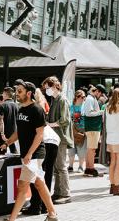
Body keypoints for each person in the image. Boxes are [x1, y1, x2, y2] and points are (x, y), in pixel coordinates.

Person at [1, 82, 58, 221]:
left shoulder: (37, 110)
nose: (17, 94)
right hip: (28, 154)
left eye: (20, 91)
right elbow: (19, 132)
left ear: (28, 93)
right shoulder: (20, 110)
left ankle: (12, 219)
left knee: (22, 186)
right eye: (17, 91)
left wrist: (30, 154)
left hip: (35, 154)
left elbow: (39, 134)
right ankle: (52, 214)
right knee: (39, 183)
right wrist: (7, 142)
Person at [42, 76, 73, 204]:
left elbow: (65, 120)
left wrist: (50, 124)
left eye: (47, 88)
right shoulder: (55, 99)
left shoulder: (62, 100)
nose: (46, 90)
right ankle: (58, 192)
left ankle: (65, 194)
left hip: (61, 137)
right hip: (55, 137)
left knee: (61, 166)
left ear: (54, 86)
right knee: (56, 167)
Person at [82, 84, 106, 177]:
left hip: (92, 127)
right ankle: (91, 168)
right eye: (100, 93)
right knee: (92, 149)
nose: (100, 96)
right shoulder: (90, 99)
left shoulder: (90, 98)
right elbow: (88, 113)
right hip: (93, 127)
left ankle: (88, 168)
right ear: (97, 91)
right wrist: (101, 112)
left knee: (90, 149)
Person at [68, 90, 86, 173]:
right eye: (82, 97)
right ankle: (70, 166)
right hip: (72, 130)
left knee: (81, 149)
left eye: (84, 97)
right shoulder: (71, 107)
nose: (83, 98)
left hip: (82, 130)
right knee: (71, 149)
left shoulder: (85, 106)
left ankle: (81, 166)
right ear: (76, 97)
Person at [0, 87, 19, 154]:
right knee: (14, 153)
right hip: (15, 133)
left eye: (3, 93)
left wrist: (2, 133)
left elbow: (1, 121)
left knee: (1, 153)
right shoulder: (18, 106)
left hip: (5, 133)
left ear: (5, 94)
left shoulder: (1, 105)